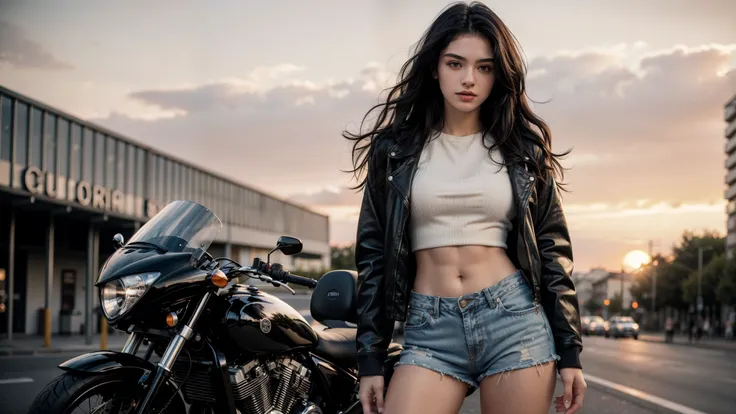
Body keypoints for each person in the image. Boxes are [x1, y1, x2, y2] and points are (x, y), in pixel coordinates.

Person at [343, 2, 586, 413]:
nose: (469, 79)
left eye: (485, 67)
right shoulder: (395, 151)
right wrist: (370, 357)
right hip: (428, 329)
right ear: (434, 67)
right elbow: (373, 257)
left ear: (499, 76)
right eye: (456, 63)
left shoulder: (522, 150)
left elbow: (552, 250)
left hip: (513, 320)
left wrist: (570, 350)